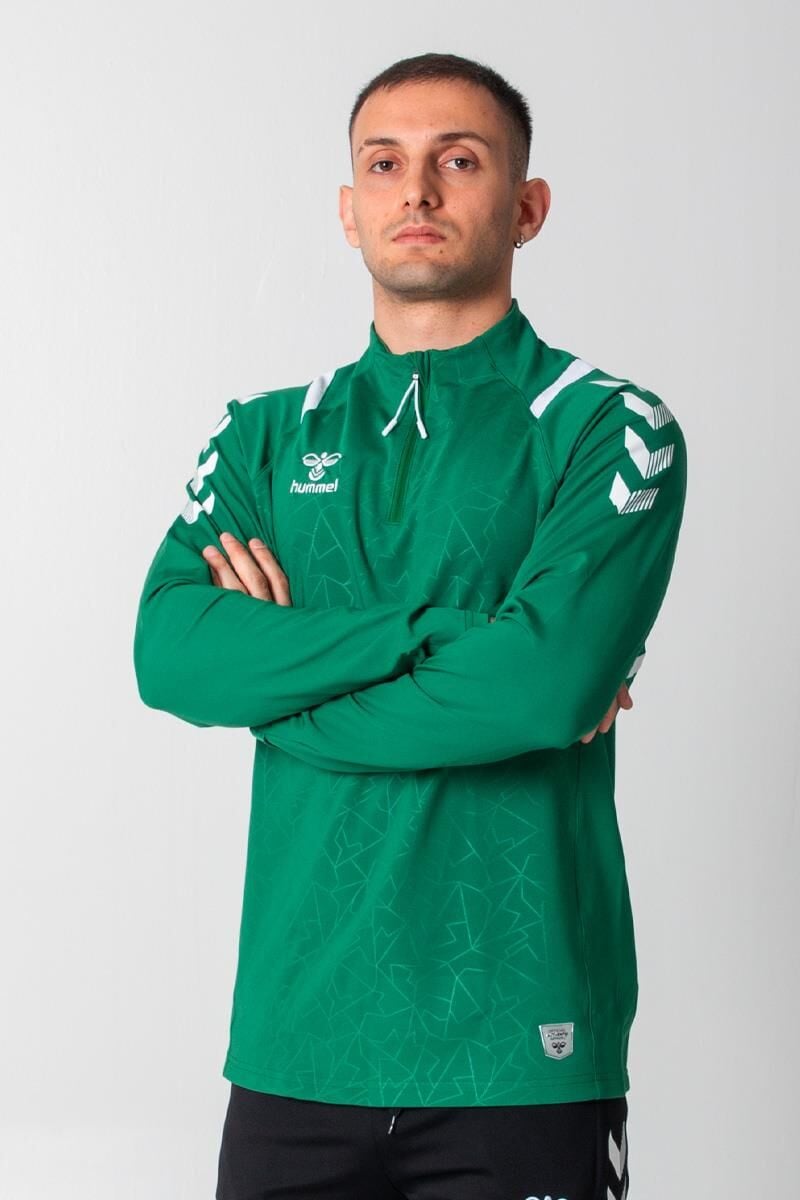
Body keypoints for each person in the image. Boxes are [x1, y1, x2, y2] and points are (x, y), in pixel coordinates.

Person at [133, 50, 687, 1200]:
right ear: (349, 210)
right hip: (294, 1047)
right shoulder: (263, 439)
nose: (417, 190)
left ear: (526, 207)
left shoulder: (606, 428)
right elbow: (172, 655)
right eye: (383, 164)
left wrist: (283, 698)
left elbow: (538, 690)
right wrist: (447, 637)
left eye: (459, 160)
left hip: (519, 1044)